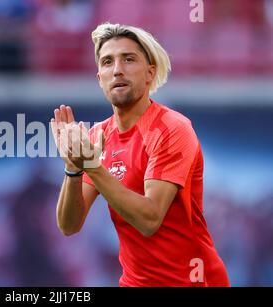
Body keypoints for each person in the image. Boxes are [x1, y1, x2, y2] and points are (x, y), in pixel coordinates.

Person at [50, 22, 230, 287]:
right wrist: (74, 169)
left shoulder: (172, 129)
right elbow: (69, 225)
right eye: (107, 62)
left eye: (128, 59)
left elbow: (149, 220)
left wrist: (91, 164)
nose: (118, 70)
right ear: (100, 78)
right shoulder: (98, 136)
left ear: (149, 73)